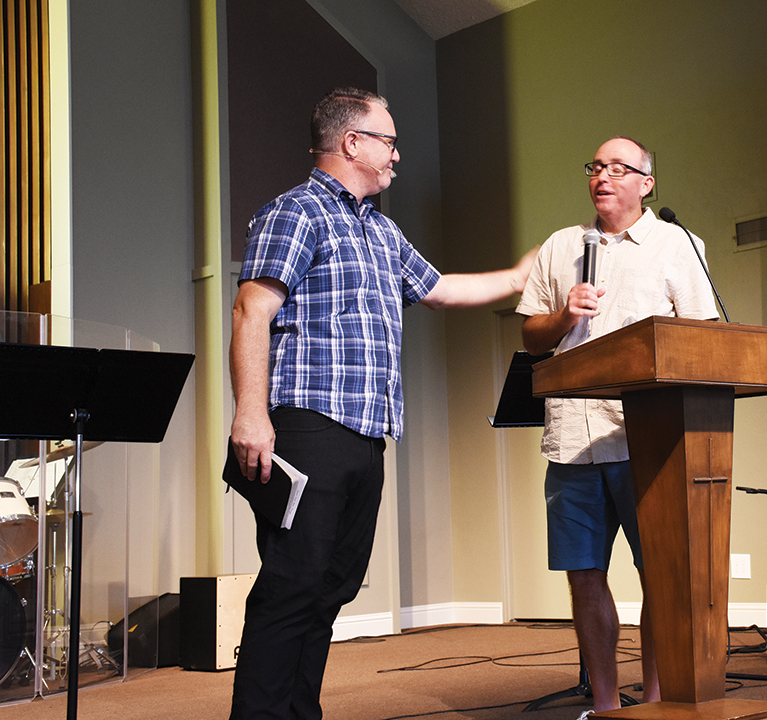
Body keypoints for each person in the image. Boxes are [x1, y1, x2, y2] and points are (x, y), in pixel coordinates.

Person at [227, 87, 535, 720]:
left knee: (329, 588)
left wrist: (520, 274)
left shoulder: (383, 231)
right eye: (389, 141)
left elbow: (441, 289)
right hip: (308, 424)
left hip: (368, 435)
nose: (397, 155)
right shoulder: (297, 212)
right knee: (292, 584)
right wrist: (250, 412)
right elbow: (251, 310)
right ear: (353, 143)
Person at [516, 137, 719, 715]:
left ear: (646, 183)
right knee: (583, 576)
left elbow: (701, 337)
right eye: (596, 167)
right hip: (571, 439)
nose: (603, 176)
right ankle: (605, 706)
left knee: (659, 574)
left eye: (618, 168)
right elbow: (530, 336)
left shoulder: (678, 245)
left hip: (645, 437)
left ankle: (655, 701)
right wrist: (564, 314)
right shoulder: (560, 247)